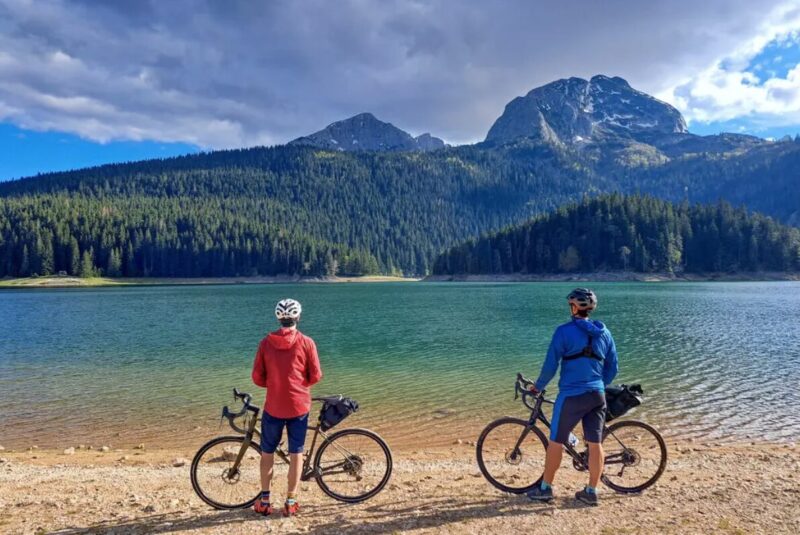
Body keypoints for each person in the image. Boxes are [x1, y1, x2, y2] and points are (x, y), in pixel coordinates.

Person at [526, 288, 618, 506]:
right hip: (597, 395)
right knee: (595, 444)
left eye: (571, 305)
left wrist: (538, 387)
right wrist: (599, 385)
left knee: (556, 440)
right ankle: (591, 491)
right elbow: (613, 368)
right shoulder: (605, 333)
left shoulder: (563, 332)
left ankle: (546, 488)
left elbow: (550, 365)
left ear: (574, 307)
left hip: (571, 396)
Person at [251, 298, 322, 517]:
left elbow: (257, 377)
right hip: (299, 406)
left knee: (267, 453)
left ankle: (264, 501)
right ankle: (290, 502)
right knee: (296, 453)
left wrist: (275, 385)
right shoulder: (307, 342)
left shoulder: (265, 343)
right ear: (298, 317)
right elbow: (316, 375)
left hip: (273, 406)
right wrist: (300, 386)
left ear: (278, 318)